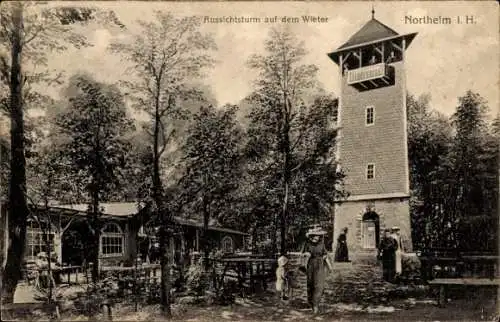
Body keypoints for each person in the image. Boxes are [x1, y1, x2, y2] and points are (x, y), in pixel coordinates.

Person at [301, 225, 328, 314]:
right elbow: (303, 253)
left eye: (319, 235)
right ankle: (310, 301)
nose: (318, 236)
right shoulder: (307, 244)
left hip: (320, 265)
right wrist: (306, 254)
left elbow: (325, 254)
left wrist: (326, 260)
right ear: (312, 236)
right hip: (311, 265)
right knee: (311, 284)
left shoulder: (321, 244)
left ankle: (316, 304)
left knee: (319, 285)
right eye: (316, 235)